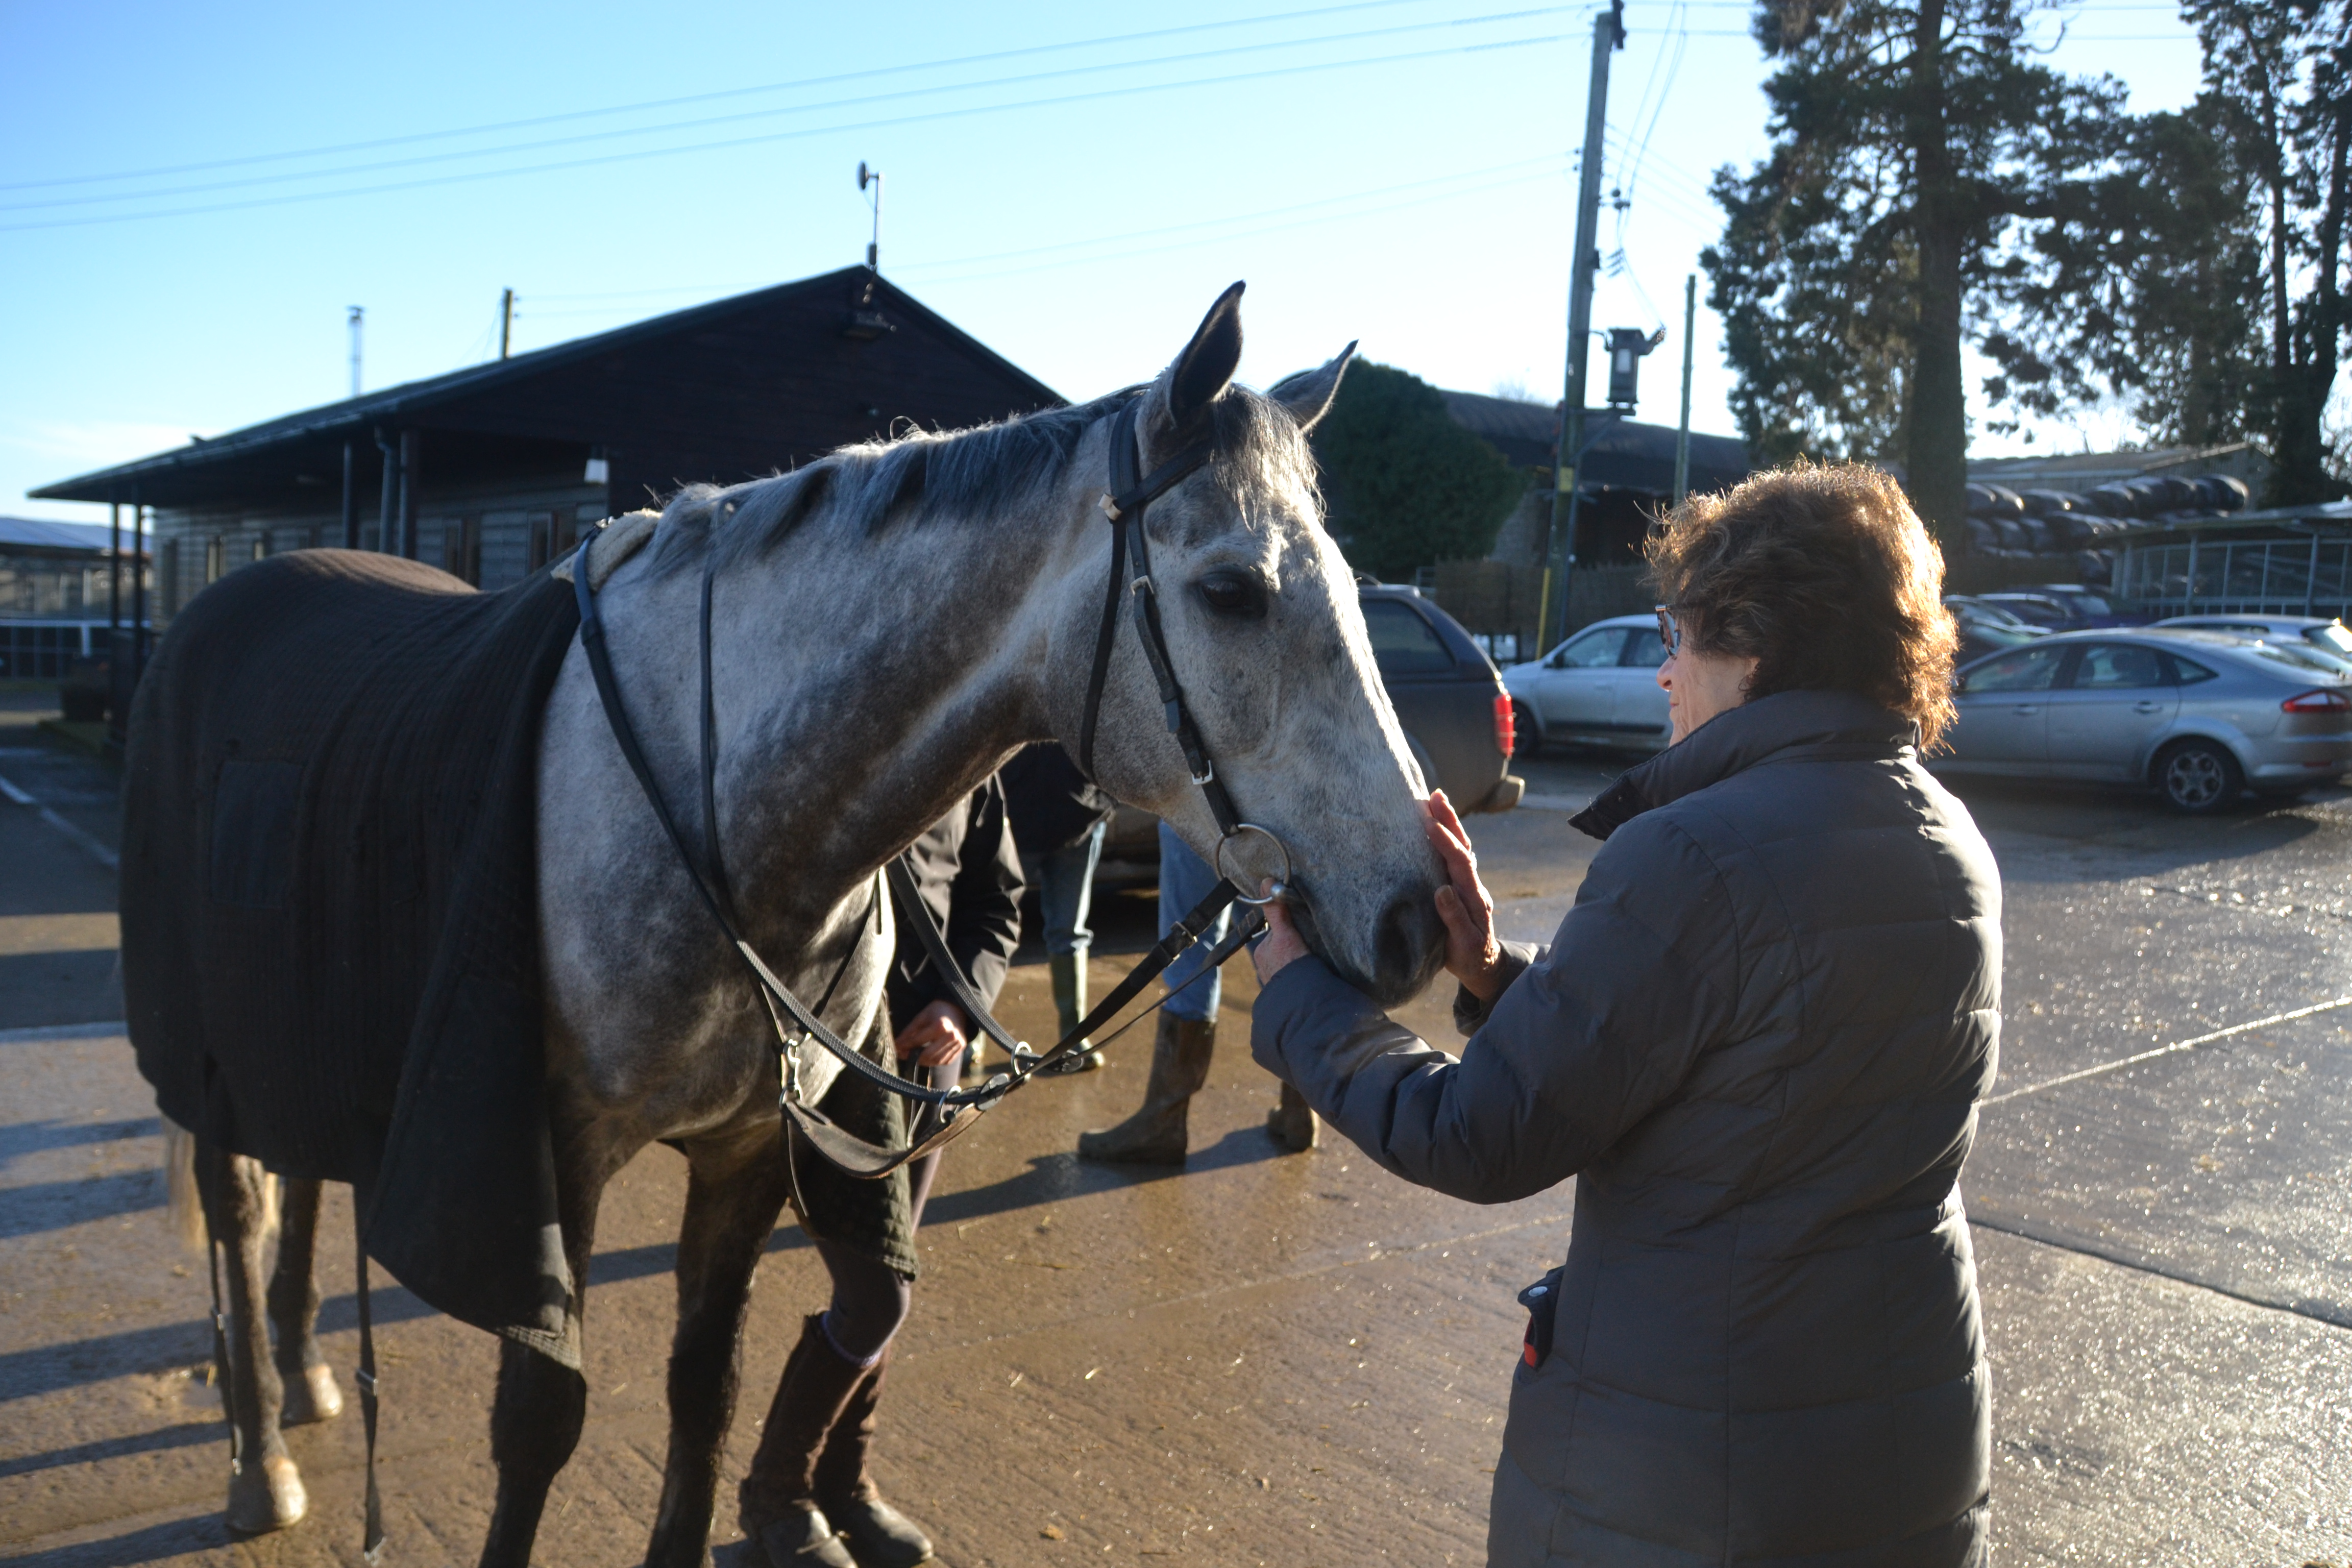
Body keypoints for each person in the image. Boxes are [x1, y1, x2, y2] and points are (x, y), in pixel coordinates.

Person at [1249, 465, 1998, 1566]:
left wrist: (1300, 994)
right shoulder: (1944, 832)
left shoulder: (1693, 849)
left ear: (1755, 642)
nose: (1661, 676)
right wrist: (1502, 973)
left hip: (1694, 1474)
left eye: (1675, 637)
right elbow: (1741, 1041)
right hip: (1901, 1442)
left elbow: (1480, 1134)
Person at [739, 778, 1022, 1568]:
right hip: (824, 1072)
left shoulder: (977, 758)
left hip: (930, 1075)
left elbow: (995, 905)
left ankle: (840, 1485)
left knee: (882, 1294)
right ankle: (777, 1497)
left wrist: (959, 1009)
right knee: (876, 1296)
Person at [1078, 822, 1315, 1162]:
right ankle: (1301, 1108)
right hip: (1259, 820)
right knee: (1276, 939)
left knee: (1189, 959)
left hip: (1202, 811)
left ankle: (1164, 1121)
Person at [1001, 742, 1116, 1074]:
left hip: (1079, 818)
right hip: (1013, 817)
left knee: (1070, 931)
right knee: (988, 926)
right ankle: (969, 1036)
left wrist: (1107, 800)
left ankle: (1073, 1039)